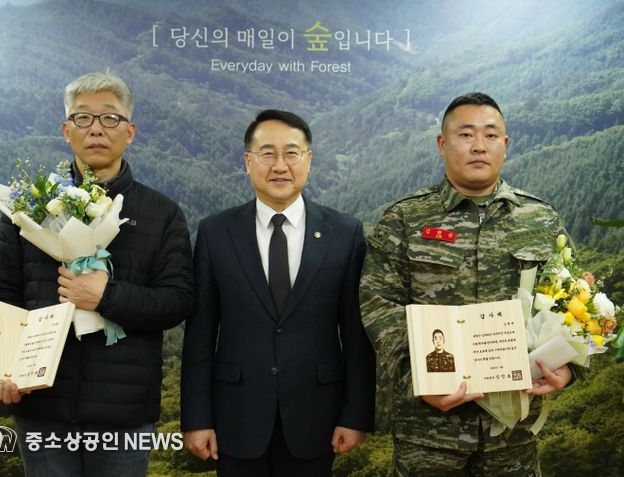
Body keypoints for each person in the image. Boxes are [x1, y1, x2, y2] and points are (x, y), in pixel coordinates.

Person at [0, 72, 194, 477]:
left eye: (109, 118)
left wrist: (107, 296)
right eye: (82, 117)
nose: (96, 128)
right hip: (41, 404)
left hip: (123, 416)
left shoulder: (161, 213)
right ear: (66, 130)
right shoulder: (28, 209)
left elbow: (177, 301)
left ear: (129, 132)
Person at [360, 92, 574, 476]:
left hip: (514, 432)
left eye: (490, 135)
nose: (479, 146)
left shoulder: (540, 219)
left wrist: (568, 368)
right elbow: (378, 303)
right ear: (442, 144)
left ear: (505, 144)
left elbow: (572, 301)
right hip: (428, 434)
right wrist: (418, 377)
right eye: (465, 134)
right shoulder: (406, 219)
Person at [181, 109, 375, 477]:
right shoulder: (216, 232)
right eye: (267, 153)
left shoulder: (344, 233)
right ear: (248, 162)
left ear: (309, 160)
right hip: (236, 415)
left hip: (317, 416)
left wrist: (355, 415)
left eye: (292, 153)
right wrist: (196, 418)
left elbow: (356, 333)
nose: (280, 166)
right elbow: (201, 333)